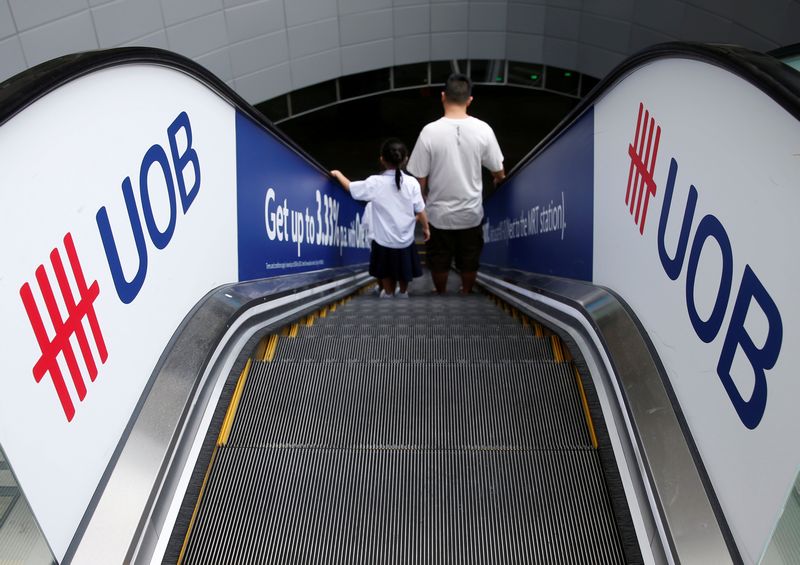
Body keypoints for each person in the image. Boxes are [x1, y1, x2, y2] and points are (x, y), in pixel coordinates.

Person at [406, 72, 505, 295]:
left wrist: (420, 205)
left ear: (443, 96)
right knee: (469, 259)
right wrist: (498, 180)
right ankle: (466, 291)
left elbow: (419, 177)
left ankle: (440, 292)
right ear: (469, 100)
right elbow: (498, 170)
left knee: (439, 259)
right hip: (471, 212)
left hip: (438, 214)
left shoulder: (429, 132)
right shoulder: (483, 130)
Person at [331, 138, 430, 298]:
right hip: (405, 238)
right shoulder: (412, 183)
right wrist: (426, 227)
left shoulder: (375, 182)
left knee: (386, 269)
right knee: (403, 268)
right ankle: (403, 292)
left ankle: (388, 293)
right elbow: (420, 209)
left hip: (383, 239)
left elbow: (350, 187)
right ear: (405, 159)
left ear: (382, 159)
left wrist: (338, 173)